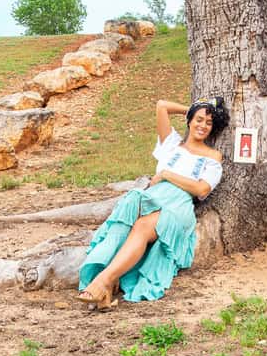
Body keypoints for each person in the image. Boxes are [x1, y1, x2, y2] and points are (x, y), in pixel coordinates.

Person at [77, 96, 229, 308]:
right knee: (127, 215)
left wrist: (167, 174)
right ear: (189, 120)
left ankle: (102, 281)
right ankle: (107, 286)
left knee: (142, 225)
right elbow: (162, 106)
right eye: (199, 119)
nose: (203, 125)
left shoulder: (213, 156)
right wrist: (196, 107)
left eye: (209, 122)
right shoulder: (171, 144)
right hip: (153, 197)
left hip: (178, 206)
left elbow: (201, 189)